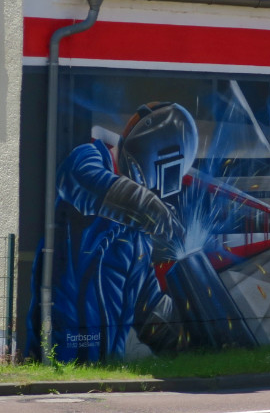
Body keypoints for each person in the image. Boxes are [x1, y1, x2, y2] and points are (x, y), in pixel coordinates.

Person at [28, 102, 196, 361]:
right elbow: (85, 182)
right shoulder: (87, 159)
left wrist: (194, 335)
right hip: (58, 353)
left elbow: (149, 308)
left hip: (103, 363)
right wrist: (156, 213)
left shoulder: (138, 237)